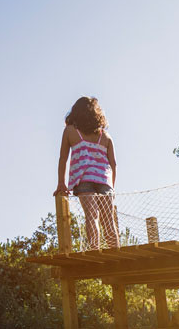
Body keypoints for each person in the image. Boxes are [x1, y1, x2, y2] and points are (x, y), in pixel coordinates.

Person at [54, 96, 119, 249]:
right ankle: (116, 253)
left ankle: (94, 250)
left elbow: (63, 158)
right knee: (108, 220)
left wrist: (61, 183)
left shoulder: (70, 131)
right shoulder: (106, 136)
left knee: (92, 217)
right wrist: (112, 187)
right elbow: (113, 164)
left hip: (84, 179)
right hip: (104, 182)